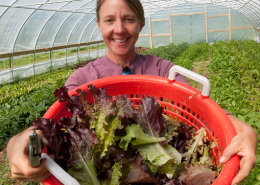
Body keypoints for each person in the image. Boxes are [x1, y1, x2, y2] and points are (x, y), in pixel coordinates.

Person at [7, 0, 257, 185]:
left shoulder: (162, 69)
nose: (119, 29)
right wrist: (19, 141)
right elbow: (49, 127)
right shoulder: (83, 80)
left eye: (128, 19)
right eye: (109, 20)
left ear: (140, 23)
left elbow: (197, 105)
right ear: (99, 25)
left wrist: (245, 130)